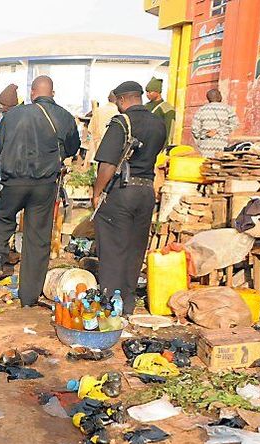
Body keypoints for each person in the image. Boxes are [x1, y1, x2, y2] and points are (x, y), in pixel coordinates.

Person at [0, 75, 81, 306]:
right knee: (37, 238)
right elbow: (73, 147)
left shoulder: (13, 115)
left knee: (4, 218)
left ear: (32, 93)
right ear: (52, 92)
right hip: (44, 184)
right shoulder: (64, 116)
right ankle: (29, 297)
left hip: (14, 181)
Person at [91, 81, 167, 315]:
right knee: (135, 248)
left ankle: (109, 305)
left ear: (122, 100)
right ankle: (128, 303)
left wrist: (96, 194)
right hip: (145, 192)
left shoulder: (122, 122)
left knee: (113, 247)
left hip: (122, 191)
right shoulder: (159, 122)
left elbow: (107, 164)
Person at [0, 83, 19, 235]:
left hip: (5, 162)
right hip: (3, 162)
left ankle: (2, 232)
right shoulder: (6, 116)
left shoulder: (12, 118)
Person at [191, 88, 238, 157]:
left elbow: (195, 129)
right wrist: (218, 131)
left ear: (208, 98)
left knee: (205, 164)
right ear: (220, 97)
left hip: (205, 145)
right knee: (219, 164)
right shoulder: (228, 109)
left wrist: (204, 135)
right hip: (222, 143)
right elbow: (235, 124)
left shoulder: (202, 110)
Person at [144, 77, 175, 143]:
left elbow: (169, 130)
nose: (147, 94)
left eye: (150, 92)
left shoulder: (167, 108)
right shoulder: (145, 106)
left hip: (157, 143)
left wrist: (165, 146)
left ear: (157, 91)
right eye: (146, 92)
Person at [88, 91, 118, 158]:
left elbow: (90, 130)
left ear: (108, 98)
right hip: (113, 151)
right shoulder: (119, 112)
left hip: (97, 148)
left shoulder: (98, 110)